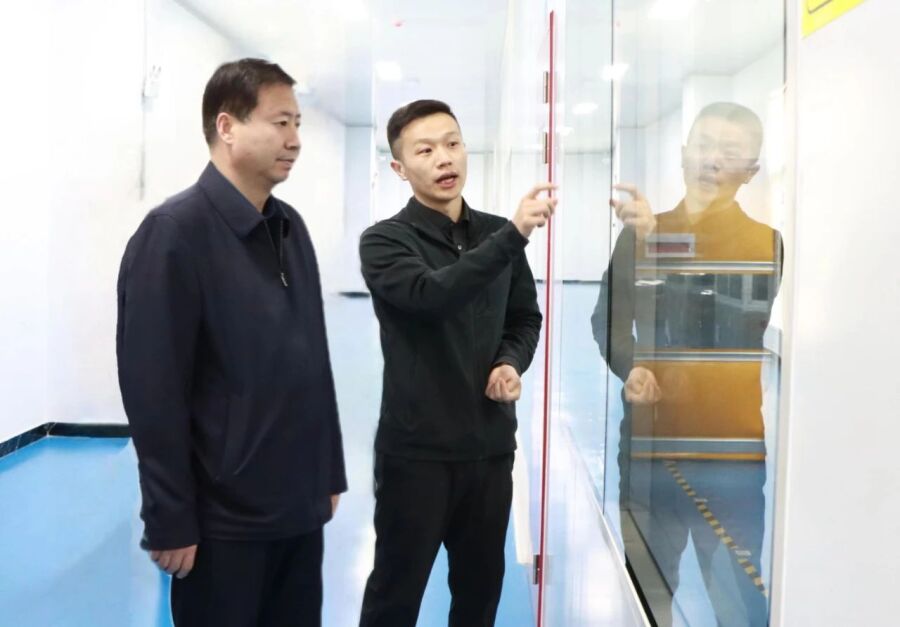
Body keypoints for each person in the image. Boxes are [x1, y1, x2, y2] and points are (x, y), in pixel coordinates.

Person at [116, 58, 347, 627]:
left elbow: (313, 362)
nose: (295, 140)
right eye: (280, 123)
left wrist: (328, 471)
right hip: (225, 525)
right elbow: (153, 392)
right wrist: (169, 518)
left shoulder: (290, 227)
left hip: (298, 511)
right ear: (227, 127)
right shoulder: (174, 235)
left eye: (297, 124)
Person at [357, 99, 554, 627]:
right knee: (395, 597)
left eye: (452, 143)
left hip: (489, 450)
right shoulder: (384, 242)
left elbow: (524, 318)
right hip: (416, 455)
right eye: (425, 150)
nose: (444, 158)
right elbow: (432, 295)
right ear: (400, 168)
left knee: (479, 596)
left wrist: (510, 362)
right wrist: (512, 237)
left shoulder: (495, 232)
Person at [592, 102, 781, 626]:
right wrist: (630, 367)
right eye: (703, 145)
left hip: (728, 455)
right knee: (647, 598)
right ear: (682, 154)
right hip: (649, 448)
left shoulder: (765, 243)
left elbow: (719, 316)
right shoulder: (640, 233)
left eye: (730, 152)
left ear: (751, 171)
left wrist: (656, 244)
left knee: (737, 603)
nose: (712, 160)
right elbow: (608, 317)